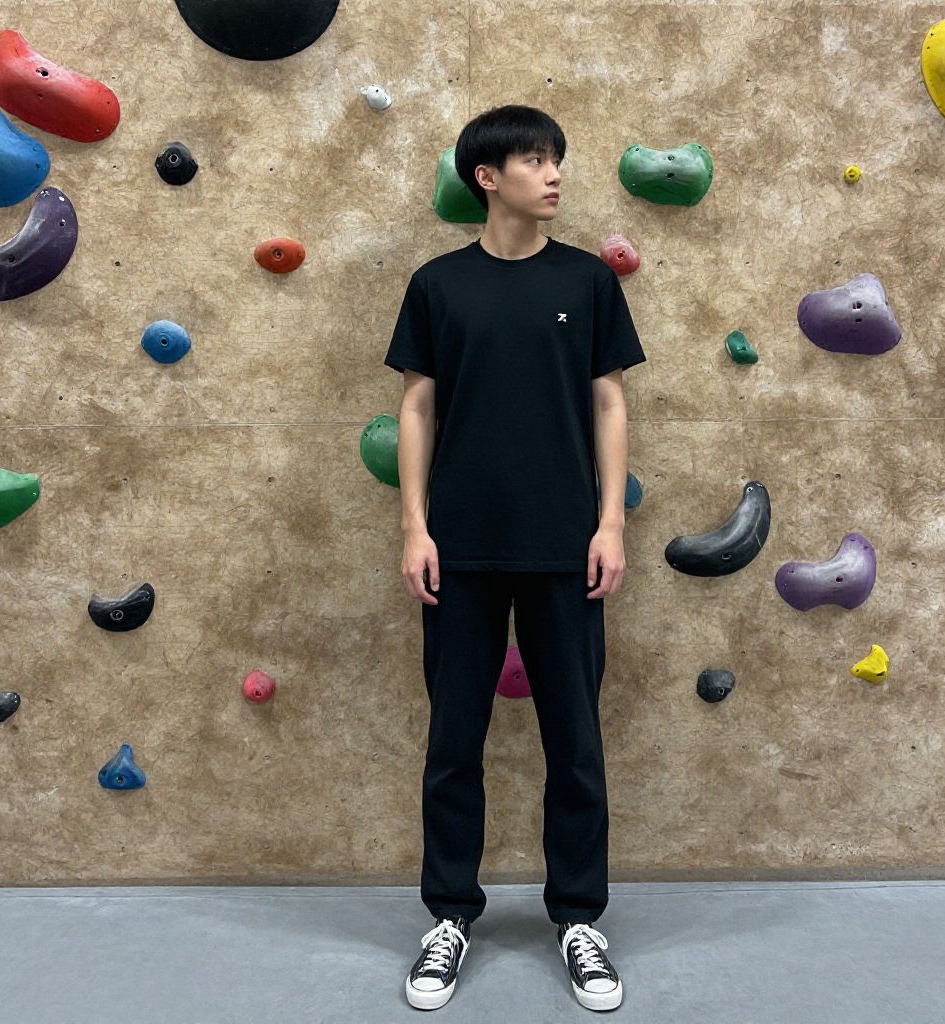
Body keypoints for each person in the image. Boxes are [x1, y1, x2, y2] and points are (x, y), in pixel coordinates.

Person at [383, 104, 646, 1012]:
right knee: (453, 742)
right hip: (458, 548)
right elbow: (417, 407)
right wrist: (414, 528)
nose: (555, 173)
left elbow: (609, 403)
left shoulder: (588, 281)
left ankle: (578, 918)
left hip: (567, 546)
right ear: (487, 178)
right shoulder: (438, 285)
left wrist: (610, 524)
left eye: (556, 159)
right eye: (535, 160)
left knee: (575, 742)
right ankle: (450, 915)